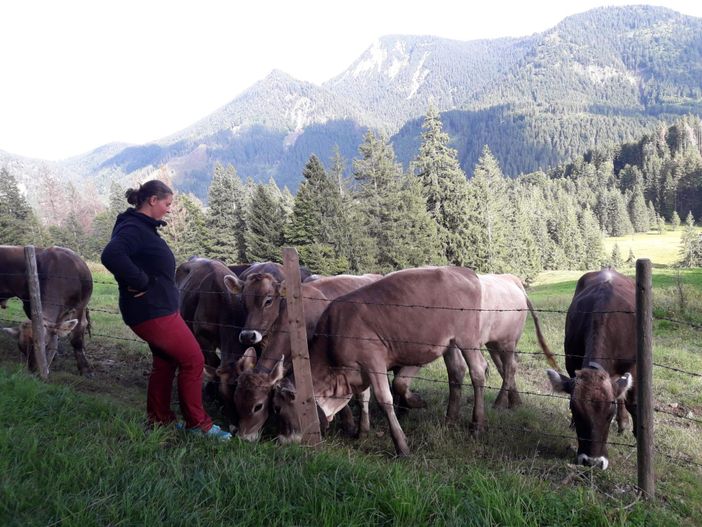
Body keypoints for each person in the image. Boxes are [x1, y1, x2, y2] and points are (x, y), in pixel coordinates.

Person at [101, 179, 231, 440]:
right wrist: (141, 281)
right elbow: (111, 255)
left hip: (154, 310)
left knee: (165, 362)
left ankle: (160, 420)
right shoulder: (133, 227)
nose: (169, 209)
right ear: (152, 200)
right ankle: (199, 425)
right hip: (153, 312)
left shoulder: (139, 226)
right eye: (167, 203)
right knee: (194, 360)